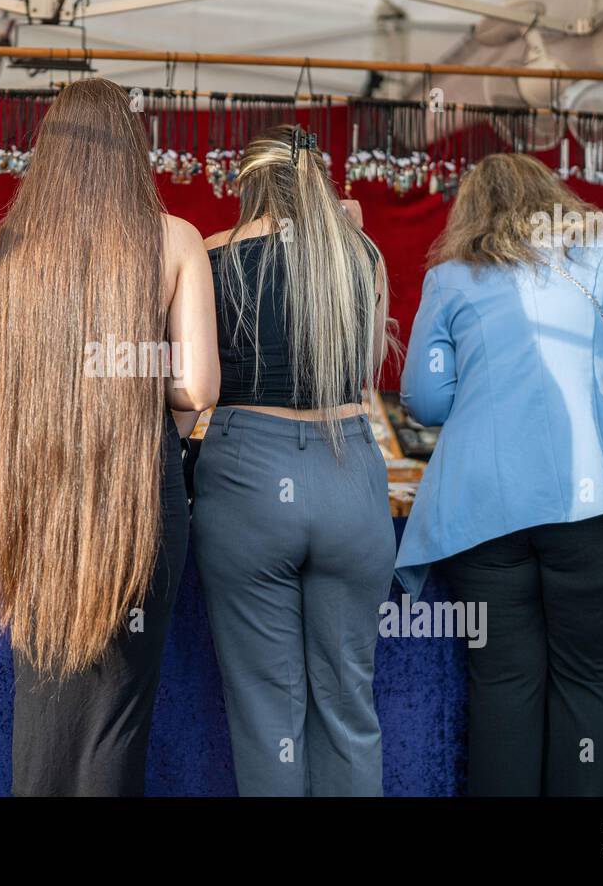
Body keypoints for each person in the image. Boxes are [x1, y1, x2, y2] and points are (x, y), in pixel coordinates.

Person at [0, 78, 219, 796]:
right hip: (141, 489)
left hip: (41, 484)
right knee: (116, 716)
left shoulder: (19, 240)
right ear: (135, 149)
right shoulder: (175, 239)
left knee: (43, 698)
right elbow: (198, 390)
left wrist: (60, 374)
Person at [397, 154, 603, 797]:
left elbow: (423, 398)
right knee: (588, 683)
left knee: (502, 685)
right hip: (602, 504)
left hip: (485, 507)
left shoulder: (450, 276)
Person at [188, 124, 397, 796]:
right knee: (348, 707)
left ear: (242, 183)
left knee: (267, 710)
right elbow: (362, 369)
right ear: (322, 180)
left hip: (250, 477)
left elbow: (196, 385)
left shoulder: (213, 255)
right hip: (350, 472)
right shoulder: (359, 256)